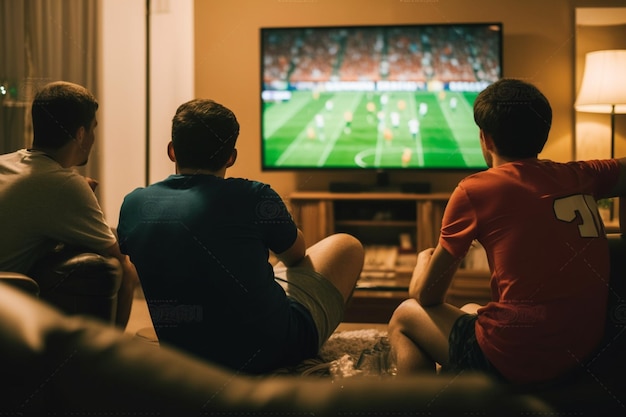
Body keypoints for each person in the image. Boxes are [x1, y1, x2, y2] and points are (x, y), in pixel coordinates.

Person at [388, 78, 626, 385]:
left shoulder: (474, 190)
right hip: (583, 350)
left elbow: (427, 295)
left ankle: (419, 408)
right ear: (544, 134)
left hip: (522, 356)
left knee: (406, 314)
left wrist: (423, 260)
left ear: (485, 138)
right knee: (470, 310)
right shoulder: (582, 174)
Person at [116, 98, 364, 374]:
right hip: (270, 352)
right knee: (347, 245)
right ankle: (306, 356)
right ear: (231, 157)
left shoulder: (134, 204)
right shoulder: (255, 196)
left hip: (184, 354)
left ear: (172, 151)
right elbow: (297, 254)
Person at [0, 81, 139, 328]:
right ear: (81, 134)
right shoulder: (65, 186)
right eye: (93, 128)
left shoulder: (7, 163)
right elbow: (123, 266)